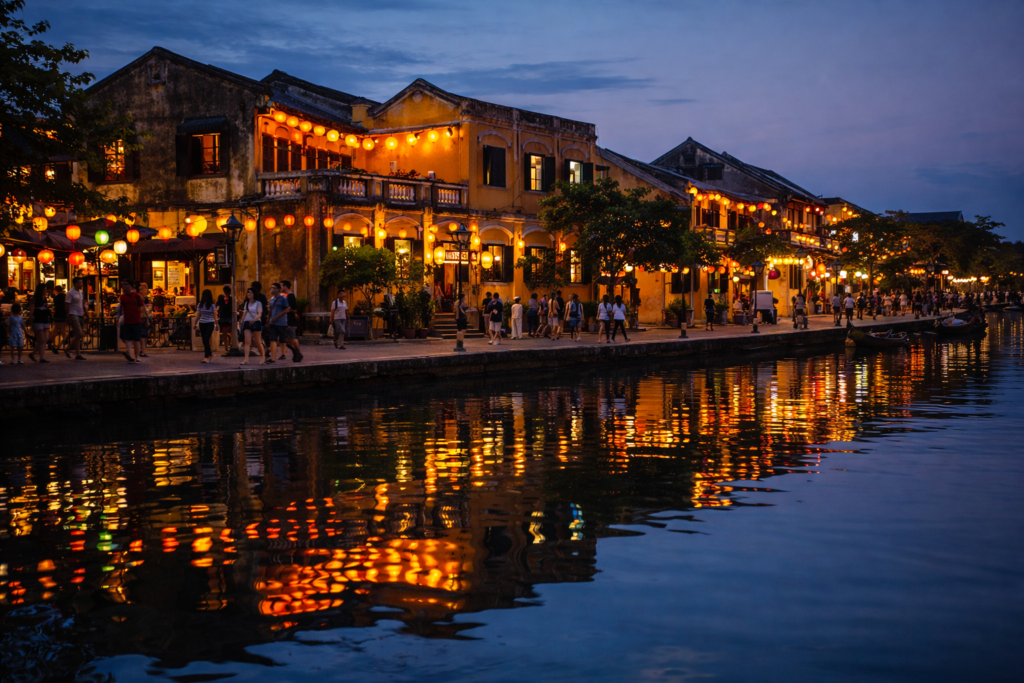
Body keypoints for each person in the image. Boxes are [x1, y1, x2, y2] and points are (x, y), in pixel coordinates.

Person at [117, 281, 145, 363]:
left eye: (126, 285)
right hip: (127, 320)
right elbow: (121, 308)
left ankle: (137, 357)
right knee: (127, 338)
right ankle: (130, 354)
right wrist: (119, 318)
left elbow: (142, 307)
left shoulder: (137, 296)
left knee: (136, 339)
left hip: (136, 320)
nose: (124, 287)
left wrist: (145, 318)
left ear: (130, 287)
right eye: (123, 286)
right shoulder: (122, 297)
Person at [278, 280, 303, 361]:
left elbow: (294, 308)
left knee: (292, 337)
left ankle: (298, 352)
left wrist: (285, 310)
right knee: (285, 338)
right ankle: (295, 352)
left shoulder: (290, 295)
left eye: (281, 286)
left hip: (290, 320)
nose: (280, 288)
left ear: (285, 286)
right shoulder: (285, 296)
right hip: (286, 320)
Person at [239, 288, 264, 365]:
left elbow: (259, 314)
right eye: (248, 292)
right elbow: (245, 313)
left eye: (250, 292)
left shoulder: (258, 303)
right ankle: (246, 359)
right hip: (247, 322)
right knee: (247, 341)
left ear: (254, 294)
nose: (248, 294)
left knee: (258, 342)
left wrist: (253, 320)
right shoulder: (246, 303)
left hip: (256, 322)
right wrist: (242, 321)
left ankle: (263, 357)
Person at [27, 283, 51, 363]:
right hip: (38, 318)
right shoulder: (35, 299)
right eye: (44, 289)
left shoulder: (44, 298)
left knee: (45, 339)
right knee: (42, 339)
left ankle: (35, 354)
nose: (46, 290)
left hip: (44, 318)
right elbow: (32, 309)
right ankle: (41, 357)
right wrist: (31, 317)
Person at [65, 277, 86, 360]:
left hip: (80, 314)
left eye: (81, 282)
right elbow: (67, 304)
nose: (81, 284)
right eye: (80, 282)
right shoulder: (70, 293)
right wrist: (68, 315)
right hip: (73, 314)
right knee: (79, 334)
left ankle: (77, 354)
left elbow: (83, 302)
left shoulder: (81, 292)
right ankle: (68, 348)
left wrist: (85, 312)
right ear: (75, 283)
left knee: (79, 335)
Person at [195, 289, 217, 363]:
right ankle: (210, 354)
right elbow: (198, 315)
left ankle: (206, 356)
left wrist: (216, 324)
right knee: (204, 340)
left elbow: (214, 315)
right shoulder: (200, 305)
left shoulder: (212, 305)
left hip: (210, 323)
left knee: (206, 339)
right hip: (202, 323)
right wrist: (195, 323)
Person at [50, 285, 66, 355]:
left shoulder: (56, 297)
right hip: (63, 315)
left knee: (54, 330)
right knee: (63, 331)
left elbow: (55, 305)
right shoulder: (65, 296)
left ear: (56, 290)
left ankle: (52, 344)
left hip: (57, 315)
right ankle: (63, 346)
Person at [217, 285, 234, 353]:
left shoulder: (222, 298)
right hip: (228, 317)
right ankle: (228, 346)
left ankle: (227, 346)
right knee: (228, 332)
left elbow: (218, 306)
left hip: (224, 317)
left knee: (225, 333)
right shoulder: (231, 299)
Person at [137, 282, 152, 358]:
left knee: (143, 336)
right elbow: (144, 309)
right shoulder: (143, 298)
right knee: (143, 335)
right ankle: (142, 351)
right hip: (143, 317)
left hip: (142, 317)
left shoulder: (142, 297)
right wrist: (147, 319)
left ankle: (141, 350)